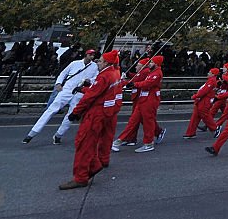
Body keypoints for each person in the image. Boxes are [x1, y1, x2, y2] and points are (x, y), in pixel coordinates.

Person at [58, 50, 123, 190]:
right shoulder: (114, 73)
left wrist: (76, 112)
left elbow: (91, 96)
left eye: (99, 61)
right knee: (91, 142)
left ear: (106, 62)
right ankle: (95, 164)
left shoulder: (104, 76)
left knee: (83, 143)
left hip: (95, 114)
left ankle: (81, 177)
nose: (97, 63)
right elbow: (98, 92)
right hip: (104, 112)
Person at [24, 49, 99, 145]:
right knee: (51, 110)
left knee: (71, 114)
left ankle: (59, 134)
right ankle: (32, 133)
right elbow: (63, 73)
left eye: (93, 55)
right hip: (67, 90)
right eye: (90, 55)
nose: (91, 57)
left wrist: (90, 80)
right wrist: (58, 83)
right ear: (86, 55)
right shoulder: (74, 63)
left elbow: (96, 78)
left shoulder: (94, 67)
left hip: (79, 92)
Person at [112, 58, 150, 150]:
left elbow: (136, 80)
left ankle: (123, 139)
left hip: (141, 99)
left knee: (136, 120)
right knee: (140, 120)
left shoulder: (145, 72)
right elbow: (136, 78)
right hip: (139, 97)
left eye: (138, 65)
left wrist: (124, 82)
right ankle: (131, 139)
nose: (136, 66)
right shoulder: (143, 72)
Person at [184, 68, 220, 138]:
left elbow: (204, 91)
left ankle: (215, 128)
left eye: (209, 72)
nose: (208, 73)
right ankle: (191, 132)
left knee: (204, 115)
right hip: (202, 100)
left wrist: (195, 96)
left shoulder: (211, 81)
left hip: (204, 101)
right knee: (195, 116)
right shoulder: (211, 80)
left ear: (213, 74)